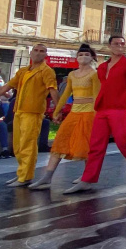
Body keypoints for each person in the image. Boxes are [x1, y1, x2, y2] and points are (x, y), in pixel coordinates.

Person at [64, 36, 126, 194]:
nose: (120, 46)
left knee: (123, 142)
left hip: (120, 109)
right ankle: (87, 180)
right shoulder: (102, 67)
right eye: (116, 44)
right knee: (95, 145)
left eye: (122, 44)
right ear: (109, 46)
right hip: (102, 109)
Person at [0, 44, 58, 186]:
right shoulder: (23, 71)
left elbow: (53, 90)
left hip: (33, 112)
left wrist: (57, 109)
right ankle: (22, 173)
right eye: (36, 50)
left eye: (42, 51)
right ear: (31, 53)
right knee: (18, 145)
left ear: (46, 55)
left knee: (28, 144)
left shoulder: (47, 71)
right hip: (19, 111)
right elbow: (6, 88)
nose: (38, 53)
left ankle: (26, 176)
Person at [28, 45, 100, 190]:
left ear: (92, 57)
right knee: (60, 142)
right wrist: (57, 110)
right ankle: (47, 177)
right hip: (74, 112)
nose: (83, 57)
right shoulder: (72, 75)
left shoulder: (95, 74)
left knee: (86, 147)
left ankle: (87, 177)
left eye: (86, 54)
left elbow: (97, 96)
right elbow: (66, 93)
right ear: (76, 57)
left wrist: (96, 115)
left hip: (89, 113)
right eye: (81, 54)